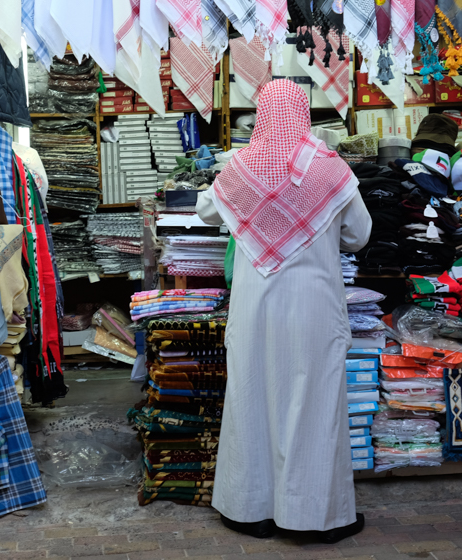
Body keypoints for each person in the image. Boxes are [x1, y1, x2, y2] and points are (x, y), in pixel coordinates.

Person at [196, 80, 372, 543]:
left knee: (251, 399)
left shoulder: (240, 166)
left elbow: (205, 210)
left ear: (261, 115)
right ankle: (314, 517)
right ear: (304, 114)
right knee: (314, 405)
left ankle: (247, 509)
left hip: (256, 308)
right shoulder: (330, 169)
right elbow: (361, 234)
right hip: (313, 307)